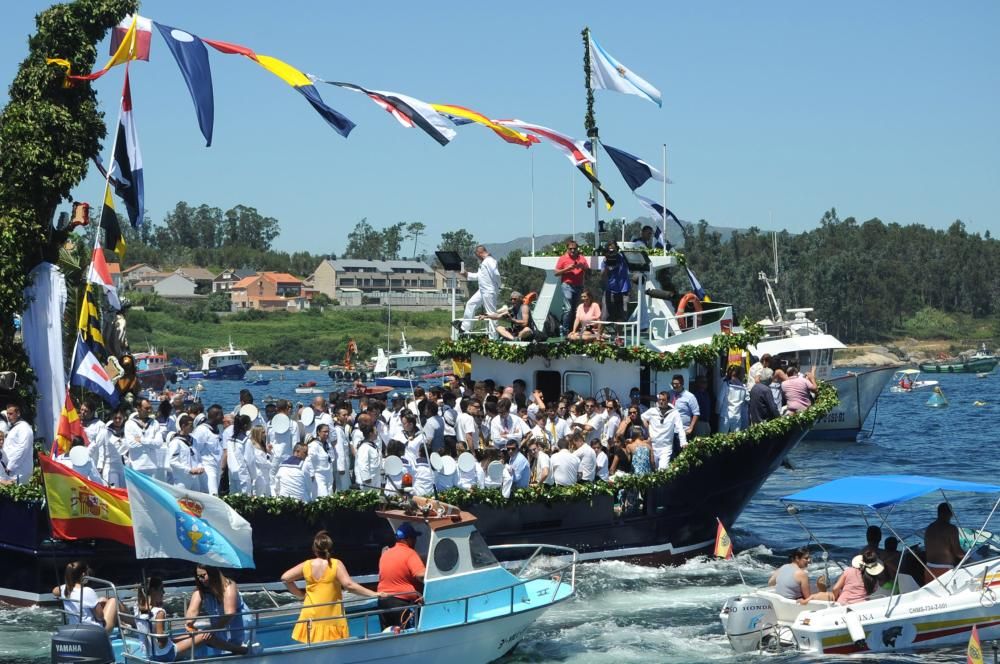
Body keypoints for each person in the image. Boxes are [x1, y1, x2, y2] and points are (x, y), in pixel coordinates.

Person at [282, 531, 381, 643]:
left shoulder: (307, 565)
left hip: (310, 616)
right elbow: (349, 585)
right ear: (330, 548)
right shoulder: (335, 564)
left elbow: (285, 578)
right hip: (330, 617)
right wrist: (374, 594)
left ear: (314, 549)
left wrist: (300, 595)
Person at [184, 566, 250, 655]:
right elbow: (193, 610)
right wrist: (189, 624)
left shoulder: (228, 586)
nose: (200, 579)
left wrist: (212, 629)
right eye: (198, 576)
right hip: (218, 626)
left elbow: (230, 613)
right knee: (221, 653)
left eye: (203, 576)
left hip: (237, 624)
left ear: (213, 574)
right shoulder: (201, 589)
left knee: (241, 652)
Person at [377, 523, 426, 629]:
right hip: (401, 603)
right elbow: (421, 575)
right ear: (408, 539)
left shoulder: (386, 554)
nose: (415, 541)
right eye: (414, 538)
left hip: (383, 602)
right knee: (406, 636)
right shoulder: (410, 553)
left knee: (389, 635)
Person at [53, 561, 119, 633]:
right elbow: (100, 617)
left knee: (103, 600)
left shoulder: (64, 589)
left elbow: (54, 591)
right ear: (84, 575)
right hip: (96, 633)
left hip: (75, 629)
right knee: (113, 600)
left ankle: (124, 622)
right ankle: (132, 623)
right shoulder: (88, 591)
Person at [808, 547, 884, 605]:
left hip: (842, 603)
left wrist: (835, 598)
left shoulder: (849, 571)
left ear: (861, 560)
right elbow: (869, 592)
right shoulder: (874, 580)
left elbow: (835, 588)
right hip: (860, 605)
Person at [460, 245, 502, 339]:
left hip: (489, 290)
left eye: (477, 255)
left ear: (479, 253)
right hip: (482, 290)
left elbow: (496, 274)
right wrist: (466, 274)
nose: (477, 258)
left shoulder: (490, 260)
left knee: (491, 313)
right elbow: (479, 276)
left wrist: (498, 286)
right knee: (470, 303)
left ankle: (494, 337)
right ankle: (465, 328)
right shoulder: (484, 262)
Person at [641, 392, 687, 469]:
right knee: (653, 469)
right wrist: (647, 428)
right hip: (653, 446)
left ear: (668, 400)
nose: (661, 402)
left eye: (663, 400)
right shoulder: (652, 410)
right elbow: (642, 417)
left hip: (666, 447)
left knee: (663, 469)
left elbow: (680, 428)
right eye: (659, 400)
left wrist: (683, 442)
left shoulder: (674, 413)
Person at [554, 241, 590, 336]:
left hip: (579, 286)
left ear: (577, 248)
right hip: (567, 286)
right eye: (570, 248)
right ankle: (565, 329)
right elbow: (556, 273)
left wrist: (583, 266)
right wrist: (567, 269)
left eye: (574, 248)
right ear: (567, 249)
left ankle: (573, 329)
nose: (573, 250)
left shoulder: (581, 258)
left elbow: (588, 271)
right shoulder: (563, 258)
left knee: (576, 309)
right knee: (568, 308)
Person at [924, 502, 965, 582]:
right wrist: (970, 557)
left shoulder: (930, 527)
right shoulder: (951, 529)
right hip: (944, 570)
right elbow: (958, 553)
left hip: (929, 568)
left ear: (938, 513)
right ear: (950, 513)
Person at [193, 405, 224, 496]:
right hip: (207, 469)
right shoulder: (202, 430)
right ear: (215, 416)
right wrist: (199, 466)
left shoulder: (218, 430)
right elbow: (194, 450)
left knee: (215, 494)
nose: (223, 417)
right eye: (221, 415)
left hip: (217, 467)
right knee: (212, 495)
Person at [168, 415, 205, 491]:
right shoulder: (176, 442)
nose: (193, 428)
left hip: (195, 478)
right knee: (182, 501)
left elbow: (198, 456)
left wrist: (200, 466)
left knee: (196, 501)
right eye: (190, 426)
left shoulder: (194, 440)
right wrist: (188, 470)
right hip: (182, 479)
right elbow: (172, 461)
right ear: (183, 426)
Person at [3, 404, 34, 485]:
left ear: (18, 413)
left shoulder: (24, 428)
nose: (8, 416)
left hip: (19, 471)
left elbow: (22, 448)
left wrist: (10, 467)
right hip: (11, 470)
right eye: (7, 414)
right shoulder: (15, 428)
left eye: (11, 413)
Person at [601, 240, 630, 325]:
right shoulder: (605, 260)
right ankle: (599, 335)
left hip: (623, 291)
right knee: (604, 316)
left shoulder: (624, 258)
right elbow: (602, 276)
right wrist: (607, 266)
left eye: (613, 250)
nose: (612, 252)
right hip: (610, 291)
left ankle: (619, 336)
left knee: (622, 315)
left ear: (617, 249)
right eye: (610, 250)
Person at [716, 365, 749, 433]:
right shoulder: (744, 387)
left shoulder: (726, 384)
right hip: (737, 415)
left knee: (722, 437)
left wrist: (717, 412)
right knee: (735, 439)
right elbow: (748, 400)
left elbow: (719, 400)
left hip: (725, 415)